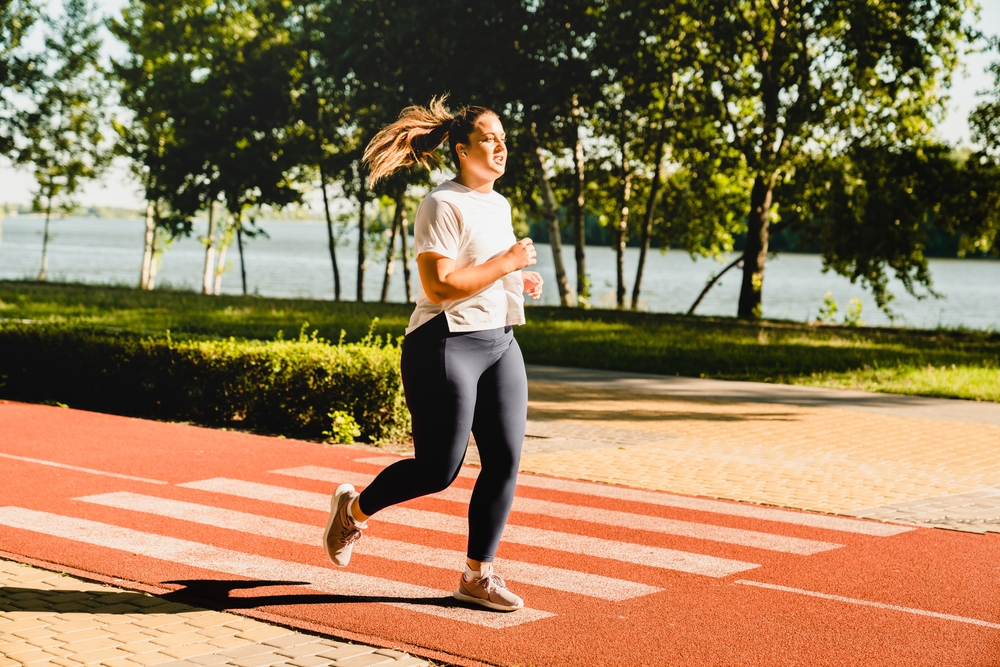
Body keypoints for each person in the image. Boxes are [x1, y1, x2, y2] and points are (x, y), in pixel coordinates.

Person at [322, 97, 543, 612]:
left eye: (503, 137)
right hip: (445, 341)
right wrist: (507, 260)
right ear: (463, 150)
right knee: (438, 469)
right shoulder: (441, 204)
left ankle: (476, 575)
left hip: (500, 340)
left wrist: (515, 275)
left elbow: (479, 270)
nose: (501, 145)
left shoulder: (499, 204)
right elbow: (440, 286)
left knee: (505, 460)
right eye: (490, 138)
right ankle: (353, 511)